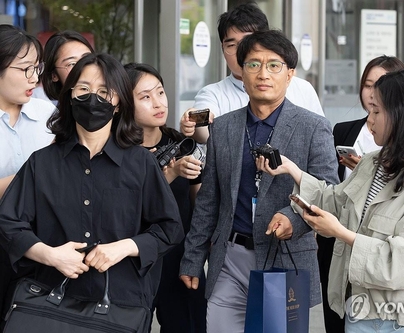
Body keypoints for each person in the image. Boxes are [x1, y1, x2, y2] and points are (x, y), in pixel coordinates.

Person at [258, 68, 404, 332]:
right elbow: (334, 201)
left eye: (377, 111)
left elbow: (403, 266)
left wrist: (340, 233)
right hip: (360, 312)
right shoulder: (373, 163)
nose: (369, 120)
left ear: (402, 117)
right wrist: (291, 168)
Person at [0, 53, 184, 320]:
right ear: (70, 97)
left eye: (104, 91)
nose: (92, 98)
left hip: (120, 306)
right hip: (48, 305)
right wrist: (51, 255)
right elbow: (8, 222)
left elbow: (169, 228)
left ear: (119, 103)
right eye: (84, 89)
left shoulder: (141, 163)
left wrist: (124, 247)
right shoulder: (42, 163)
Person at [179, 30, 339, 333]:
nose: (263, 73)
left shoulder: (313, 127)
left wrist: (295, 219)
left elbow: (327, 190)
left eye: (274, 65)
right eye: (253, 64)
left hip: (284, 257)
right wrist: (193, 256)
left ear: (290, 74)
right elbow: (209, 199)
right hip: (229, 257)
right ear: (241, 71)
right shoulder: (224, 127)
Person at [319, 55, 404, 332]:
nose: (371, 94)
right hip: (337, 231)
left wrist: (367, 172)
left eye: (379, 85)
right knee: (336, 313)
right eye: (368, 85)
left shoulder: (402, 138)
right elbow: (330, 180)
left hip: (376, 241)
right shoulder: (344, 129)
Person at [124, 62, 206, 333]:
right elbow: (128, 209)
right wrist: (171, 172)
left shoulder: (181, 142)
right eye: (145, 97)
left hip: (180, 257)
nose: (157, 103)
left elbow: (198, 203)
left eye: (160, 92)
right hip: (135, 261)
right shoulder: (119, 152)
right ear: (125, 102)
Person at [179, 2, 324, 144]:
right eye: (231, 45)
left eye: (247, 43)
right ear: (222, 49)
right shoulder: (212, 94)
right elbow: (206, 134)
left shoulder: (303, 89)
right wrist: (193, 123)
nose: (239, 52)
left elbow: (320, 136)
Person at [0, 24, 55, 321]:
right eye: (24, 69)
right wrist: (34, 176)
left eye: (37, 67)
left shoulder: (46, 114)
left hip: (43, 245)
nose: (34, 78)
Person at [33, 30, 94, 104]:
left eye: (87, 58)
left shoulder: (110, 103)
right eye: (72, 64)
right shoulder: (47, 112)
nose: (83, 67)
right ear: (54, 75)